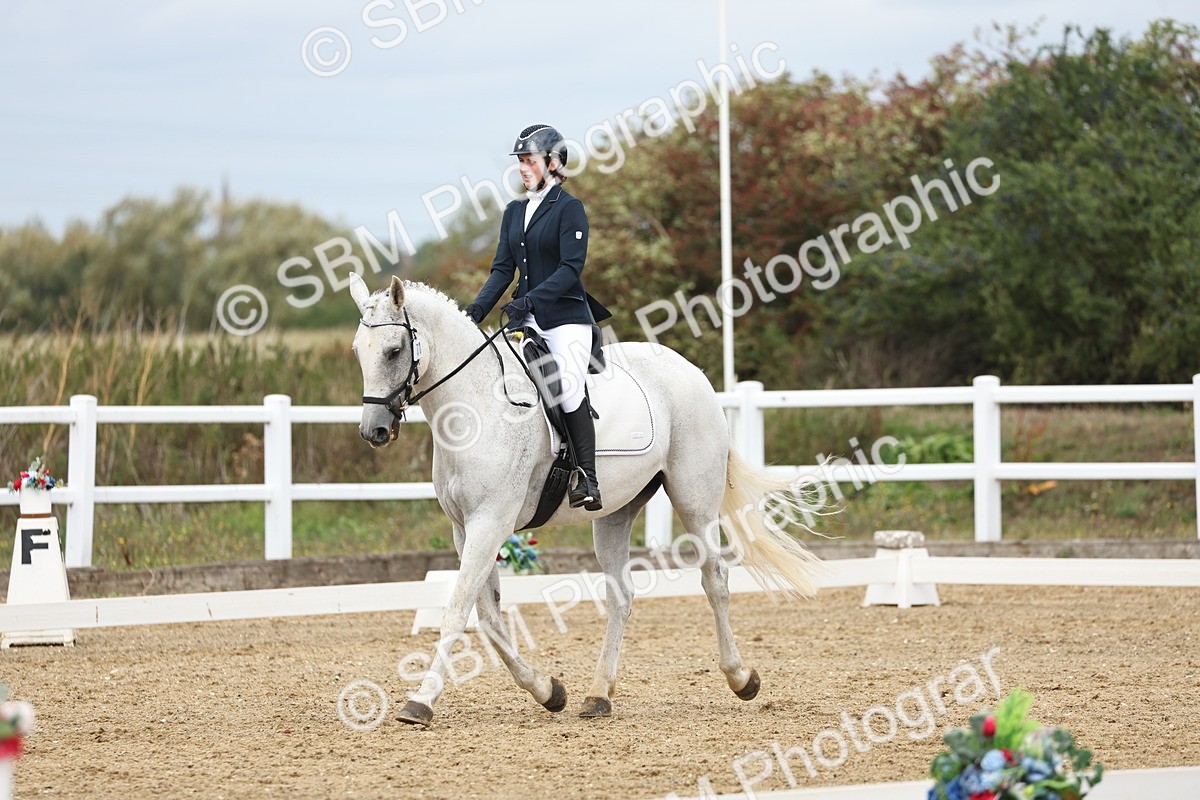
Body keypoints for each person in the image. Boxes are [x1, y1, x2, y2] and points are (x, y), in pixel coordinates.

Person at [465, 124, 611, 511]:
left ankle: (587, 477)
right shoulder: (514, 212)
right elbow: (501, 270)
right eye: (520, 162)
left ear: (554, 163)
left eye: (529, 161)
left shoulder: (569, 209)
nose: (523, 168)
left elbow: (569, 268)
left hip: (566, 319)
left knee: (565, 387)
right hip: (525, 319)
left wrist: (528, 300)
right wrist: (475, 310)